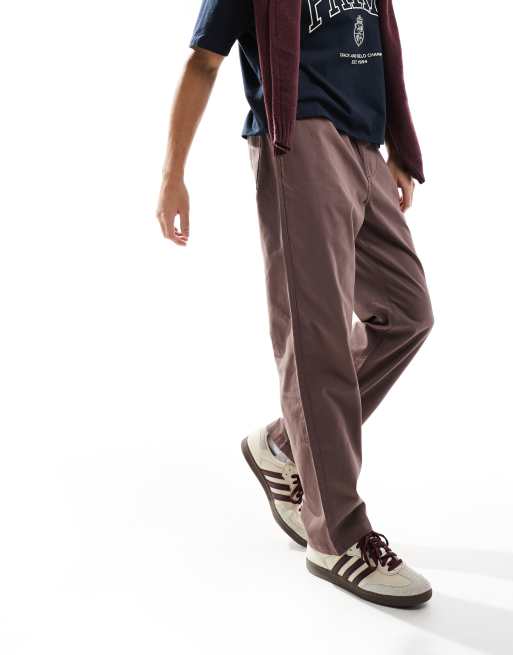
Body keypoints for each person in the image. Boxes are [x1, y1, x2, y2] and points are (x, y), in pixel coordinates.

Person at [156, 0, 434, 609]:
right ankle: (336, 536)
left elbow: (378, 50)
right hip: (299, 139)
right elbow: (203, 61)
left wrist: (394, 149)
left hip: (363, 145)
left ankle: (284, 445)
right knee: (317, 341)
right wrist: (173, 175)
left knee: (408, 313)